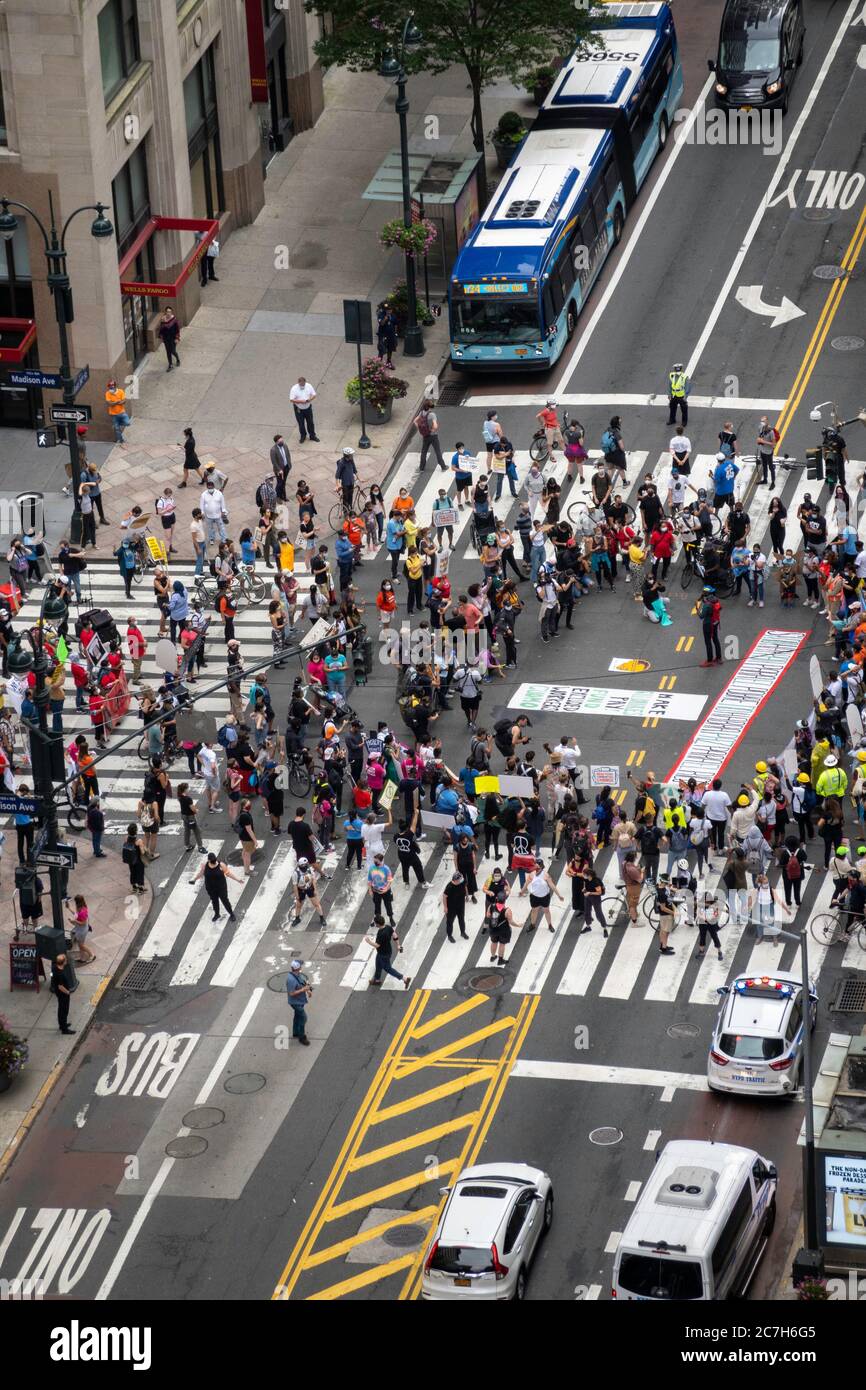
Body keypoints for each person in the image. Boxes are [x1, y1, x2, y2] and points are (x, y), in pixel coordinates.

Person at [291, 858, 327, 927]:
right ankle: (297, 918)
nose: (304, 866)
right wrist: (297, 895)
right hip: (301, 890)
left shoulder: (310, 870)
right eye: (303, 865)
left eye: (305, 865)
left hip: (310, 888)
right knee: (298, 905)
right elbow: (295, 885)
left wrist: (315, 890)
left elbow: (313, 880)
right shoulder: (296, 873)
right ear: (299, 865)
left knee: (316, 904)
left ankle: (322, 918)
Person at [415, 398, 446, 471]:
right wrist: (432, 430)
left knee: (424, 452)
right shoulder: (432, 414)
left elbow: (415, 421)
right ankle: (443, 466)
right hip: (433, 436)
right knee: (437, 451)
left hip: (425, 436)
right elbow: (435, 426)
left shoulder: (421, 413)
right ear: (429, 406)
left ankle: (421, 467)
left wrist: (420, 429)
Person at [286, 958, 312, 1044]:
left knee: (297, 1016)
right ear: (297, 968)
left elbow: (302, 983)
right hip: (295, 1002)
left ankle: (296, 1032)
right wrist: (303, 990)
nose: (302, 966)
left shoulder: (297, 974)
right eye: (300, 965)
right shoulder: (291, 980)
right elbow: (291, 993)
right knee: (303, 1018)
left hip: (300, 1000)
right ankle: (302, 1037)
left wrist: (307, 990)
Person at [51, 952, 76, 1034]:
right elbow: (60, 986)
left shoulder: (55, 968)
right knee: (64, 1010)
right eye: (65, 960)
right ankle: (64, 1029)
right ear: (64, 962)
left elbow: (51, 975)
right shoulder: (60, 974)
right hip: (63, 994)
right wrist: (67, 992)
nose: (66, 961)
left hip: (59, 993)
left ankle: (62, 1024)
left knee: (61, 1009)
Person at [698, 585, 723, 667]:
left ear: (705, 593)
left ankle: (709, 660)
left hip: (708, 624)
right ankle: (719, 658)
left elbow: (701, 616)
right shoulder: (715, 600)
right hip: (715, 622)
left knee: (708, 642)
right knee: (715, 639)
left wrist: (697, 608)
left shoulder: (707, 604)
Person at [68, 895, 96, 965]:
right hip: (80, 929)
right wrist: (69, 908)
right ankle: (82, 957)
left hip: (82, 930)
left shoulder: (83, 911)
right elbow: (76, 914)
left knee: (81, 945)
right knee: (80, 945)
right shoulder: (81, 907)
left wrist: (74, 921)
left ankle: (92, 955)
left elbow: (83, 923)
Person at [442, 870, 468, 941]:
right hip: (451, 907)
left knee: (462, 919)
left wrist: (467, 895)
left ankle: (463, 932)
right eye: (460, 879)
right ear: (455, 880)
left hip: (461, 905)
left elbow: (465, 886)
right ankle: (449, 935)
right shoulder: (449, 887)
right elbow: (444, 896)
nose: (462, 880)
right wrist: (445, 907)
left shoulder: (462, 882)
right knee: (450, 922)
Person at [105, 378, 130, 443]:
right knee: (117, 429)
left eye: (112, 386)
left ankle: (117, 424)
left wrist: (114, 403)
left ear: (115, 386)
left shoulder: (121, 391)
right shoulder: (107, 393)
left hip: (122, 412)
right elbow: (109, 404)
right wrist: (117, 402)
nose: (111, 388)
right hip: (113, 414)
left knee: (127, 423)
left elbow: (124, 401)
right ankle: (121, 440)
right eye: (109, 387)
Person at [756, 416, 778, 488]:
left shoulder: (771, 432)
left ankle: (773, 482)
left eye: (763, 421)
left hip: (768, 452)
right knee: (764, 466)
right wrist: (759, 440)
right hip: (762, 451)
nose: (761, 423)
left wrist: (764, 441)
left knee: (771, 467)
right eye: (761, 421)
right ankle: (765, 479)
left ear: (767, 422)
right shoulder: (760, 428)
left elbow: (774, 444)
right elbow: (759, 438)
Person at [376, 302, 399, 366]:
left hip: (391, 335)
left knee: (390, 349)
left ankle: (388, 362)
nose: (389, 311)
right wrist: (385, 319)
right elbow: (381, 324)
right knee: (381, 349)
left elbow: (396, 324)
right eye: (387, 310)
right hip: (383, 335)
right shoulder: (381, 315)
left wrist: (395, 333)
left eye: (390, 309)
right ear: (385, 310)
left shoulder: (393, 316)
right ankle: (378, 364)